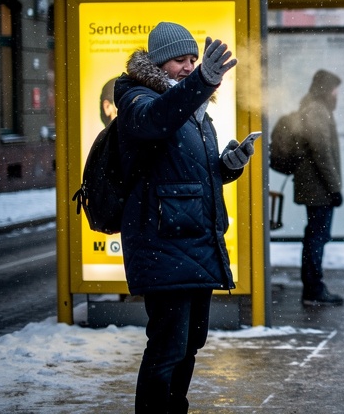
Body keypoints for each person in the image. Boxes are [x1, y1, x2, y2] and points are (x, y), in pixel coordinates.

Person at [114, 21, 252, 413]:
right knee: (167, 349)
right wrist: (203, 83)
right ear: (158, 63)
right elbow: (157, 120)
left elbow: (190, 171)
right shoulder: (137, 99)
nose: (189, 66)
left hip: (194, 242)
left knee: (191, 342)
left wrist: (228, 166)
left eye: (194, 60)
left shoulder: (193, 109)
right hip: (162, 244)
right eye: (180, 60)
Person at [282, 69, 344, 306]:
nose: (337, 94)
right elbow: (323, 153)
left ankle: (313, 286)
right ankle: (314, 288)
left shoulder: (312, 108)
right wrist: (334, 188)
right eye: (335, 89)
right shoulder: (317, 111)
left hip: (315, 186)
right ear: (326, 90)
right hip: (318, 188)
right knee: (316, 238)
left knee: (315, 236)